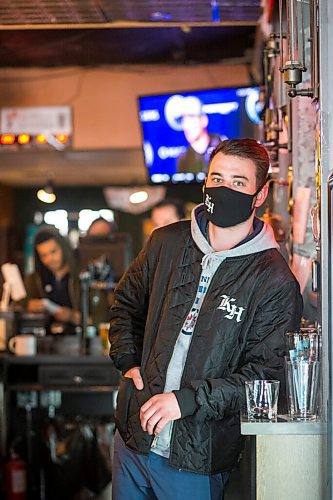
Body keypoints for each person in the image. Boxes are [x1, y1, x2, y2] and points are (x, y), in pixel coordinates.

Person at [109, 139, 303, 500]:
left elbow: (266, 375)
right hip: (133, 440)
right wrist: (127, 358)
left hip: (198, 455)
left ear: (260, 195)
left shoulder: (274, 280)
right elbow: (126, 303)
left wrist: (188, 401)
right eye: (216, 177)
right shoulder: (165, 242)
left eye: (238, 182)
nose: (223, 189)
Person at [25, 226, 81, 334]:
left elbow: (97, 319)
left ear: (63, 248)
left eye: (53, 252)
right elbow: (18, 304)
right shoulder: (36, 279)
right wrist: (29, 306)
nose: (49, 259)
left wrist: (71, 316)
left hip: (77, 338)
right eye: (43, 255)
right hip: (45, 341)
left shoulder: (81, 276)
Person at [176, 96, 224, 174]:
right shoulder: (182, 159)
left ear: (203, 120)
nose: (186, 125)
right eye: (184, 120)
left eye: (191, 118)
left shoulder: (222, 149)